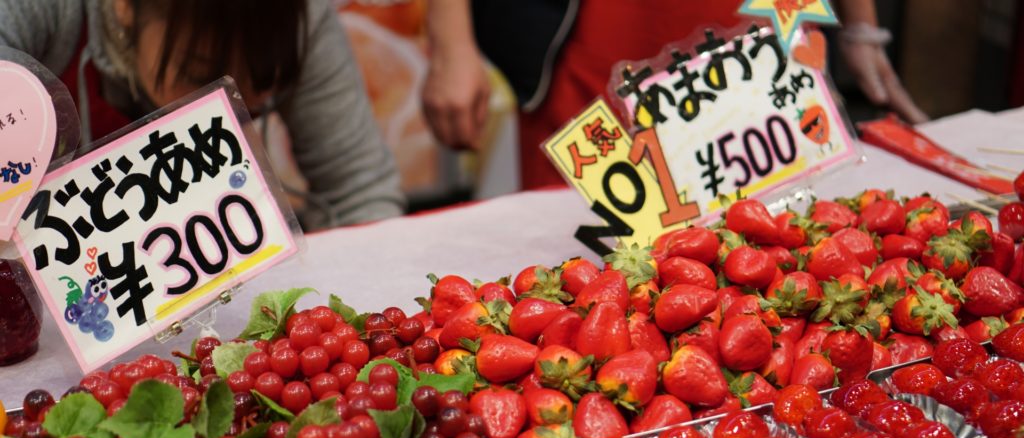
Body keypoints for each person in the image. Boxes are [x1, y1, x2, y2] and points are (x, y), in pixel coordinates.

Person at [422, 0, 928, 188]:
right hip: (592, 28)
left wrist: (860, 23)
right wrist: (448, 36)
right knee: (586, 265)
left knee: (782, 229)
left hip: (761, 15)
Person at [0, 0, 405, 230]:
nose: (225, 106)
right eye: (198, 75)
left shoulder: (301, 18)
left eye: (257, 92)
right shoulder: (37, 9)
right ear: (124, 7)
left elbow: (360, 193)